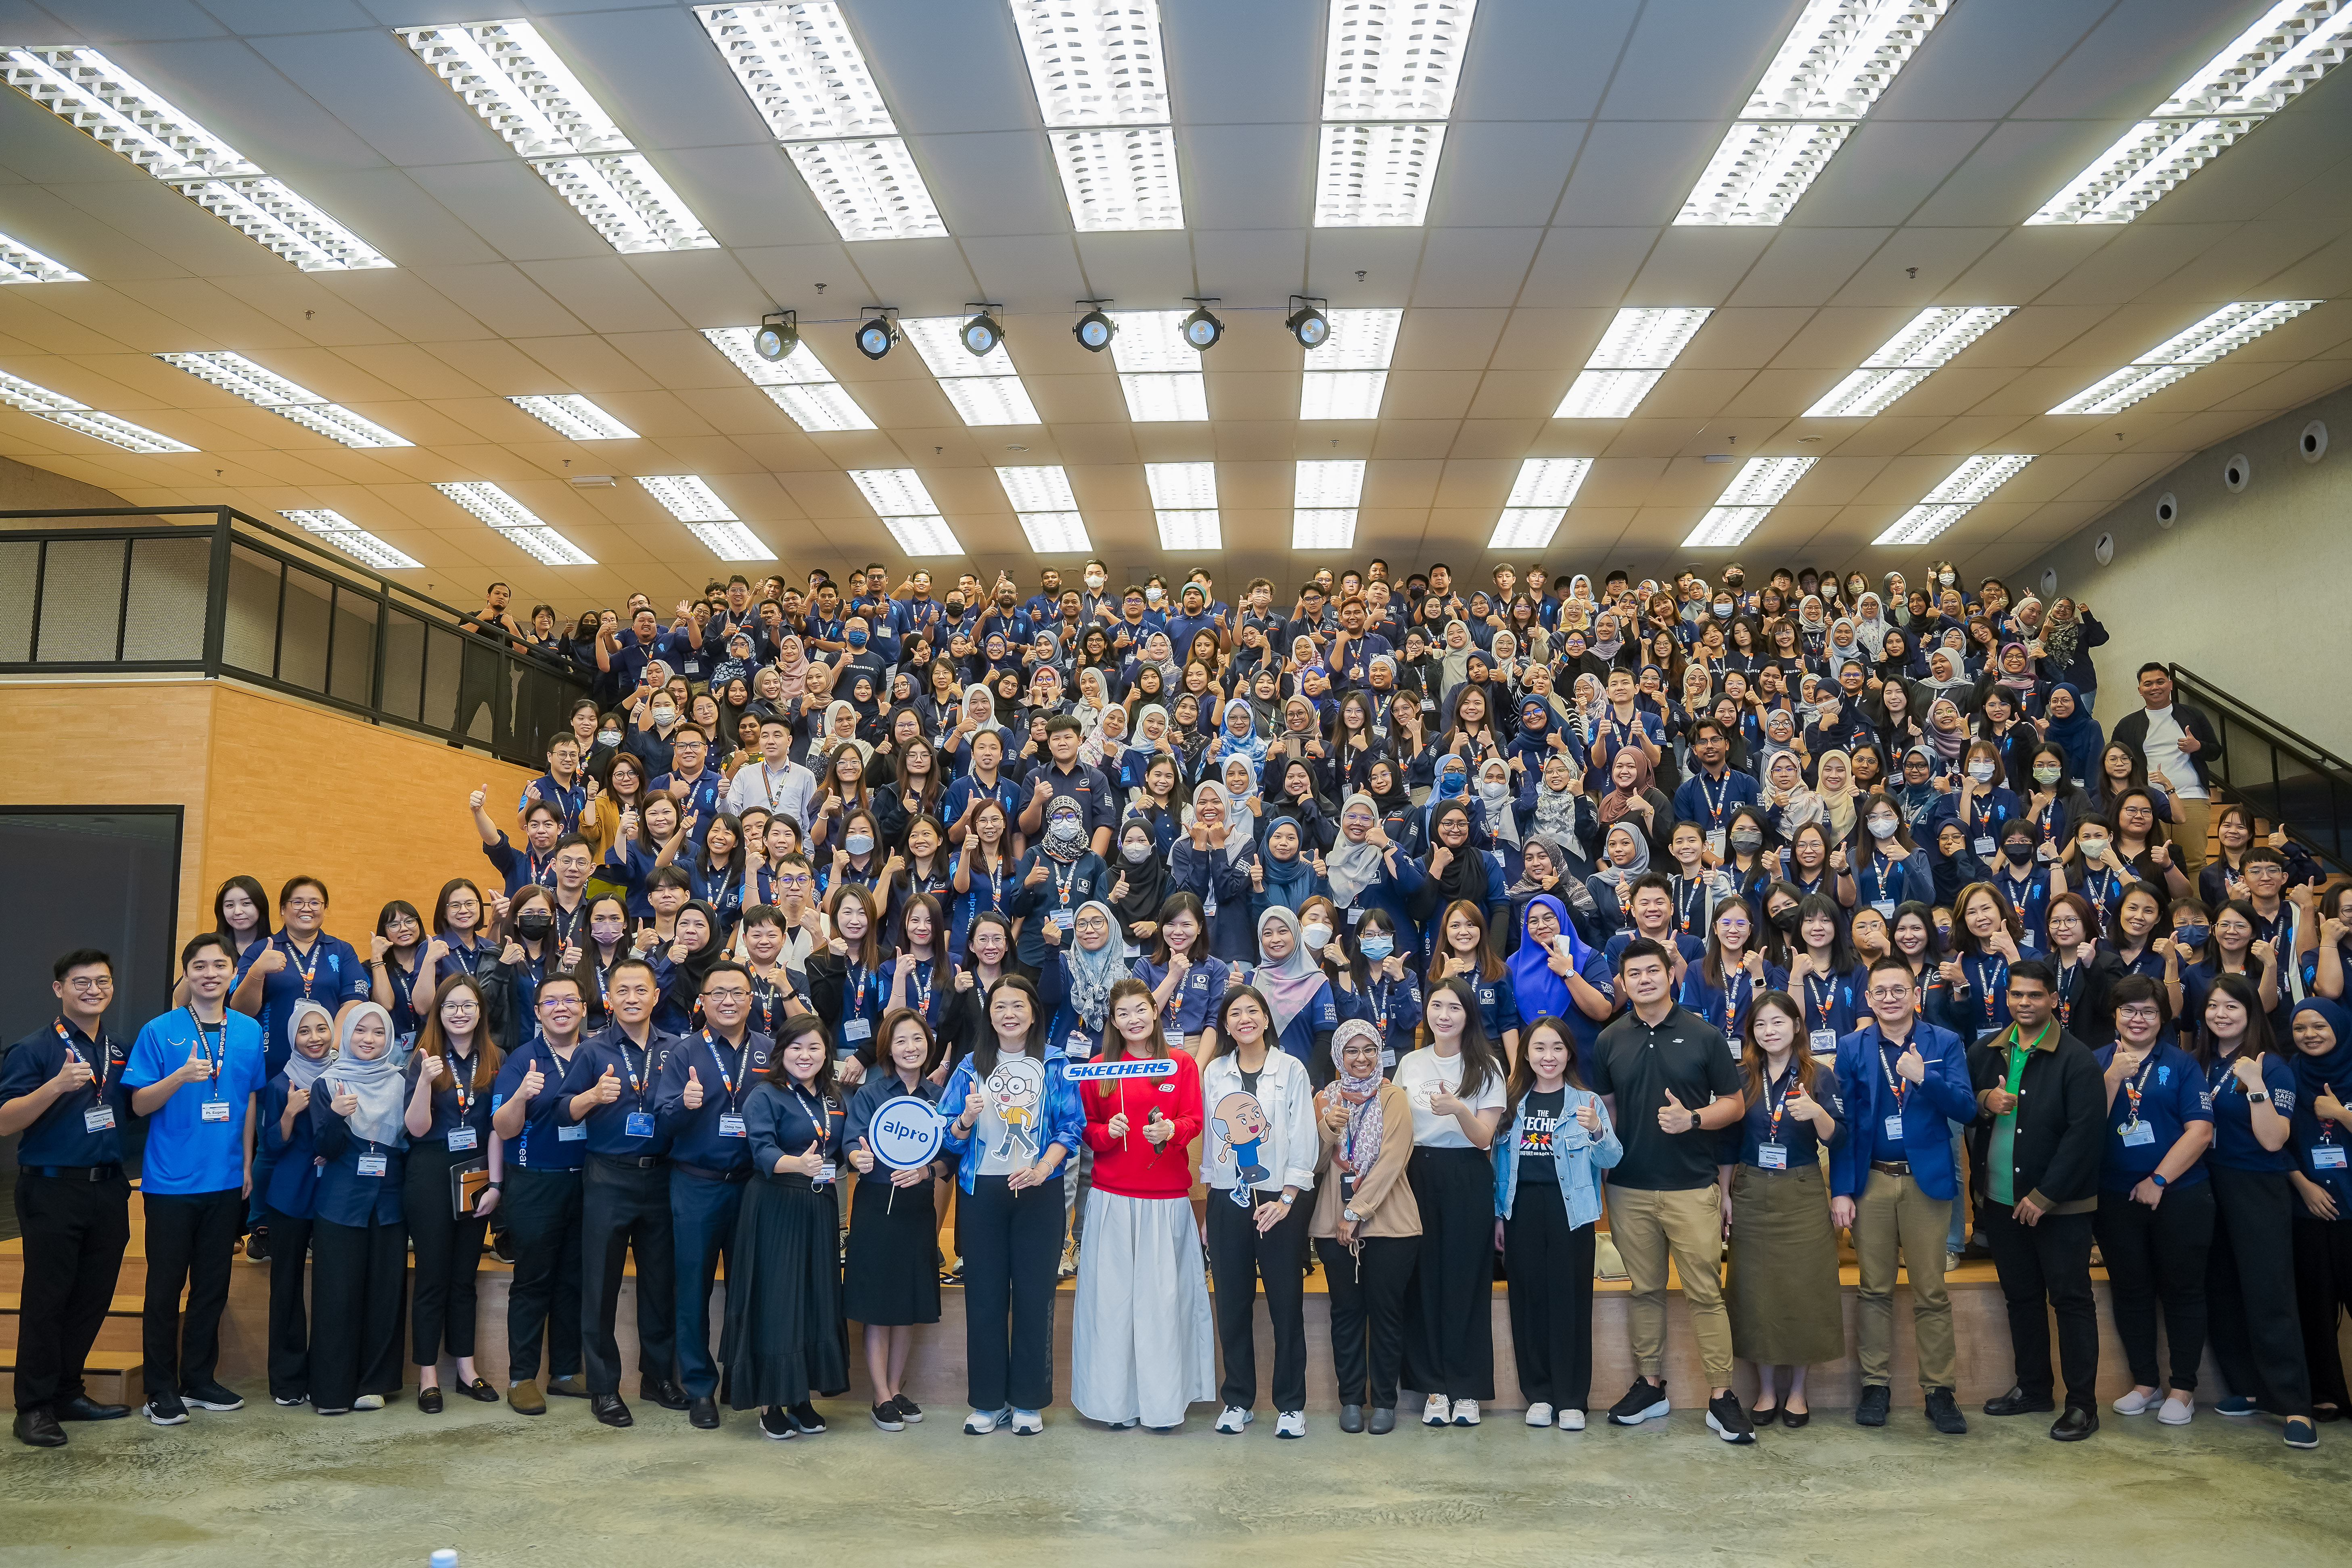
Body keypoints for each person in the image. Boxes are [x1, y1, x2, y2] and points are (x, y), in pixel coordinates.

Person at [1591, 938, 1751, 1442]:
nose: (1644, 980)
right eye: (1634, 974)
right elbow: (1608, 1110)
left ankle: (1721, 1395)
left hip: (1691, 1187)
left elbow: (1735, 1104)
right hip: (1629, 1189)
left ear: (1669, 975)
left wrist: (1694, 1119)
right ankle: (1651, 1385)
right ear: (1624, 982)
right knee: (1644, 1291)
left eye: (1652, 971)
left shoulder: (1704, 1035)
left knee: (1705, 1292)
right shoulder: (1609, 1040)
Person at [124, 933, 266, 1426]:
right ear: (186, 974)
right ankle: (160, 1388)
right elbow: (138, 1104)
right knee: (165, 1289)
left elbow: (249, 1098)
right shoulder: (160, 1030)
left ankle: (199, 1379)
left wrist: (246, 1163)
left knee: (212, 1286)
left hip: (225, 1180)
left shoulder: (248, 1030)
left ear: (233, 973)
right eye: (199, 966)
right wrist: (178, 1078)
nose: (210, 974)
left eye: (219, 965)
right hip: (170, 1182)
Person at [1831, 954, 1976, 1435]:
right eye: (1881, 991)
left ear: (1916, 995)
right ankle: (1875, 1386)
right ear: (1868, 999)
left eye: (1900, 990)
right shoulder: (1852, 1047)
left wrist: (1923, 1077)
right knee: (1874, 1289)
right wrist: (1842, 1190)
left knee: (1931, 1291)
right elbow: (1844, 1126)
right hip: (1871, 1181)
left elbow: (1966, 1108)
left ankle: (1940, 1391)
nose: (1890, 998)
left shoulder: (1944, 1042)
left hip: (1925, 1181)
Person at [938, 976, 1084, 1434]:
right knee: (984, 1298)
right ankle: (987, 1402)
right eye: (1000, 1006)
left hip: (1039, 1191)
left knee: (1035, 1297)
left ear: (1034, 1012)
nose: (1009, 1014)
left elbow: (1071, 1127)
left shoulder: (1056, 1062)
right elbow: (947, 1136)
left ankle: (1027, 1401)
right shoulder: (969, 1067)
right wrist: (965, 1119)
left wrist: (1043, 1168)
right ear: (989, 1015)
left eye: (1018, 1005)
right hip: (982, 1193)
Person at [3, 950, 136, 1447]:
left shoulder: (119, 1048)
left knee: (92, 1297)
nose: (93, 990)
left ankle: (66, 1392)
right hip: (52, 1188)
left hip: (108, 1188)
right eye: (81, 982)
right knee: (47, 1300)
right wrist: (55, 1087)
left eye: (102, 981)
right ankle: (33, 1407)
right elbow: (5, 1121)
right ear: (59, 989)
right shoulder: (34, 1048)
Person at [1071, 978, 1213, 1432]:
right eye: (1123, 1013)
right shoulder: (1098, 1068)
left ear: (1155, 1011)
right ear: (1113, 1022)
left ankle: (1163, 1406)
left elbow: (1193, 1120)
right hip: (1112, 1199)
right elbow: (1086, 1129)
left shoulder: (1180, 1064)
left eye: (1140, 1010)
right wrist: (1106, 1133)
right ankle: (1113, 1405)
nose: (1133, 1019)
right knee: (1111, 1308)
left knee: (1162, 1308)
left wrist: (1172, 1131)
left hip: (1166, 1202)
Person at [1973, 960, 2107, 1440]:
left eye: (2034, 995)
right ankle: (2033, 1388)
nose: (2024, 1003)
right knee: (2022, 1299)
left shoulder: (2077, 1058)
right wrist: (1984, 1099)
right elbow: (1963, 1103)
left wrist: (2046, 1194)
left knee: (2071, 1301)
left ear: (2054, 999)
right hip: (2000, 1202)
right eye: (2016, 994)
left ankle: (2082, 1405)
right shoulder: (1987, 1051)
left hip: (2059, 1207)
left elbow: (2085, 1136)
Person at [558, 957, 688, 1427]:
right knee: (600, 1286)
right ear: (609, 998)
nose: (632, 998)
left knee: (660, 1284)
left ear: (656, 996)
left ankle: (658, 1377)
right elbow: (561, 1111)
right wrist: (592, 1096)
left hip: (663, 1176)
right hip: (608, 1177)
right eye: (623, 991)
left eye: (641, 990)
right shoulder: (592, 1050)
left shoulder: (677, 1049)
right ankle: (604, 1387)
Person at [2193, 974, 2320, 1447]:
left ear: (2251, 1014)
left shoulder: (2272, 1066)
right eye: (2214, 1006)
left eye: (2232, 1006)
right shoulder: (2201, 1062)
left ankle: (2294, 1404)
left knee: (2269, 1292)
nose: (2221, 1014)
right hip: (2207, 1183)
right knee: (2221, 1288)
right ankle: (2246, 1388)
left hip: (2256, 1186)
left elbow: (2273, 1140)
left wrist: (2255, 1085)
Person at [1719, 991, 1846, 1428]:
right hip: (1751, 1188)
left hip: (1802, 1189)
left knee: (1803, 1289)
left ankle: (1797, 1391)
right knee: (1753, 1291)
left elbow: (1838, 1137)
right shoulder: (1741, 1076)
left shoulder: (1818, 1075)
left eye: (1777, 1022)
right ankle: (1767, 1390)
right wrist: (1725, 1193)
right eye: (1760, 1024)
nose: (1769, 1031)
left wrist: (1816, 1113)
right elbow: (1728, 1142)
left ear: (1796, 1025)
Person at [2092, 976, 2214, 1427]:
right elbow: (2085, 1128)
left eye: (2147, 1011)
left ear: (2162, 1018)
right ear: (2115, 1015)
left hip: (2179, 1193)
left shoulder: (2181, 1064)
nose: (2137, 1019)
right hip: (2114, 1196)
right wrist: (2111, 1079)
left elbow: (2200, 1130)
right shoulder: (2095, 1061)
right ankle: (2145, 1383)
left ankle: (2182, 1389)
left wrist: (2159, 1178)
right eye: (2129, 1010)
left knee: (2183, 1290)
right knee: (2130, 1289)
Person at [655, 961, 771, 1431]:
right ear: (702, 1001)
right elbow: (663, 1120)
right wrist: (684, 1105)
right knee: (693, 1289)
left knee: (749, 1286)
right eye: (718, 992)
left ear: (751, 999)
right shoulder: (683, 1052)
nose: (728, 1000)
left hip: (752, 1186)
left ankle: (741, 1378)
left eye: (737, 992)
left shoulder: (769, 1050)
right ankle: (700, 1386)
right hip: (696, 1185)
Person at [724, 1013, 851, 1440]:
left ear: (826, 1054)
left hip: (819, 1207)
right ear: (782, 1052)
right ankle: (770, 1404)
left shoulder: (834, 1097)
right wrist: (796, 1164)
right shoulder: (765, 1094)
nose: (805, 1055)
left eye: (815, 1047)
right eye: (796, 1047)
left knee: (814, 1299)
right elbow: (761, 1150)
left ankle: (800, 1397)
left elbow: (842, 1148)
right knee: (777, 1301)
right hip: (775, 1205)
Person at [1200, 985, 1319, 1437]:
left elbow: (1303, 1136)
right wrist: (1210, 1207)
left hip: (1278, 1201)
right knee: (1232, 1304)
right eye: (1234, 1013)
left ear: (1266, 1019)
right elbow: (1211, 1142)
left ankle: (1291, 1405)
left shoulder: (1290, 1069)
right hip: (1227, 1198)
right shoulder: (1215, 1072)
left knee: (1285, 1304)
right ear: (1226, 1025)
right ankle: (1238, 1400)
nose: (1244, 1019)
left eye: (1252, 1011)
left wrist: (1287, 1200)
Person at [1494, 1015, 1619, 1432]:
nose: (1548, 1057)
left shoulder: (1587, 1101)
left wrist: (1598, 1130)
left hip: (1572, 1213)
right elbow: (1497, 1164)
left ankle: (1571, 1399)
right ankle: (1540, 1395)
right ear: (1526, 1055)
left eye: (1557, 1048)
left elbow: (1612, 1158)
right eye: (1539, 1048)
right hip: (1521, 1209)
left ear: (1569, 1054)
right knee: (1528, 1301)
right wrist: (1498, 1215)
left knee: (1571, 1303)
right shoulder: (1511, 1102)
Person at [1393, 977, 1505, 1428]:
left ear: (1468, 1014)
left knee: (1466, 1281)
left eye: (1454, 1007)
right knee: (1422, 1280)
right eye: (1437, 1005)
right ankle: (1434, 1389)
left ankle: (1467, 1389)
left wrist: (1459, 1108)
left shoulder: (1487, 1066)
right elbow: (1395, 1123)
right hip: (1416, 1173)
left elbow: (1484, 1139)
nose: (1444, 1015)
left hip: (1466, 1173)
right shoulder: (1411, 1062)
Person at [1311, 1022, 1420, 1434]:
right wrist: (1328, 1128)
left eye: (1369, 1049)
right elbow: (1312, 1163)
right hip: (1332, 1224)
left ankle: (1385, 1402)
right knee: (1346, 1315)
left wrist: (1355, 1212)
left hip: (1389, 1223)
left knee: (1387, 1315)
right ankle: (1351, 1400)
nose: (1361, 1058)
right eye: (1351, 1051)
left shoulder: (1394, 1097)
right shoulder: (1325, 1098)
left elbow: (1393, 1159)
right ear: (1338, 1056)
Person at [401, 979, 504, 1412]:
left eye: (468, 1005)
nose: (460, 1013)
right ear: (438, 1012)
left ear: (480, 1011)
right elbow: (416, 1128)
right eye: (450, 1006)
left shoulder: (496, 1058)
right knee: (432, 1276)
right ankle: (428, 1375)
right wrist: (425, 1082)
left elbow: (498, 1127)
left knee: (465, 1278)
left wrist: (496, 1185)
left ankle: (466, 1368)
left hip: (476, 1173)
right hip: (429, 1171)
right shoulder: (423, 1059)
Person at [489, 976, 591, 1412]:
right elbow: (503, 1128)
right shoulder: (522, 1059)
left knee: (574, 1280)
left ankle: (565, 1372)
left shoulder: (596, 1054)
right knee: (532, 1281)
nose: (561, 1007)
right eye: (551, 1001)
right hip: (535, 1183)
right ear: (537, 1012)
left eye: (570, 999)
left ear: (583, 1007)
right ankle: (522, 1377)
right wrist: (520, 1096)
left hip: (587, 1182)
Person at [843, 1009, 945, 1431]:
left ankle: (895, 1387)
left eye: (917, 1039)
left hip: (917, 1207)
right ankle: (880, 1395)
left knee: (907, 1303)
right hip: (876, 1206)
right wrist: (858, 1158)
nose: (910, 1048)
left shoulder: (937, 1097)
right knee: (879, 1303)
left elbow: (950, 1156)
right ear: (888, 1048)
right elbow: (851, 1142)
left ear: (928, 1045)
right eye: (901, 1040)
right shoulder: (871, 1093)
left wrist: (927, 1171)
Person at [307, 1004, 410, 1415]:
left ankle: (375, 1384)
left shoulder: (403, 1082)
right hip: (340, 1204)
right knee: (336, 1297)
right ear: (346, 1034)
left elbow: (413, 1141)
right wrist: (335, 1117)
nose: (369, 1039)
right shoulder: (328, 1083)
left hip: (389, 1203)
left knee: (385, 1296)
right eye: (360, 1031)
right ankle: (331, 1390)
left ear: (389, 1038)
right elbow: (324, 1148)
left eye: (379, 1032)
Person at [253, 1001, 334, 1411]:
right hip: (289, 1195)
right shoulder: (278, 1083)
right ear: (292, 1038)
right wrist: (289, 1113)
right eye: (305, 1031)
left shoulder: (345, 1076)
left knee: (333, 1287)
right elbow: (269, 1146)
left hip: (335, 1195)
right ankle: (287, 1379)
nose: (314, 1038)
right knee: (286, 1286)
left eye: (322, 1029)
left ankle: (327, 1376)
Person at [2286, 997, 2352, 1420]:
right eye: (2299, 1028)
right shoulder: (2288, 1073)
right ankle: (2326, 1393)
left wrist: (2342, 1115)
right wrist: (2302, 1185)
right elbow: (2274, 1140)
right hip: (2308, 1208)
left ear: (2339, 1028)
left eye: (2319, 1026)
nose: (2309, 1035)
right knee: (2315, 1306)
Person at [2106, 664, 2221, 874]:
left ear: (2170, 684)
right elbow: (2114, 758)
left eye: (2160, 682)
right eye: (2148, 684)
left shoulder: (2194, 715)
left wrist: (2198, 747)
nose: (2155, 688)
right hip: (2147, 801)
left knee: (2194, 862)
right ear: (2140, 690)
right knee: (2151, 862)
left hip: (2191, 796)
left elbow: (2215, 751)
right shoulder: (2127, 725)